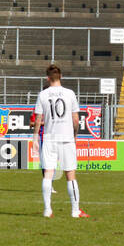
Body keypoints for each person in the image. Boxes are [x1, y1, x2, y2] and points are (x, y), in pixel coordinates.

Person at [34, 64, 87, 219]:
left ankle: (47, 209)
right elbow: (75, 119)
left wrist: (35, 137)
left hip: (49, 137)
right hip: (66, 137)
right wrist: (75, 135)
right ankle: (75, 210)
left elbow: (38, 119)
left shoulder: (43, 94)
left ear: (47, 78)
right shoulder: (70, 93)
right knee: (70, 174)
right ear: (61, 77)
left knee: (48, 174)